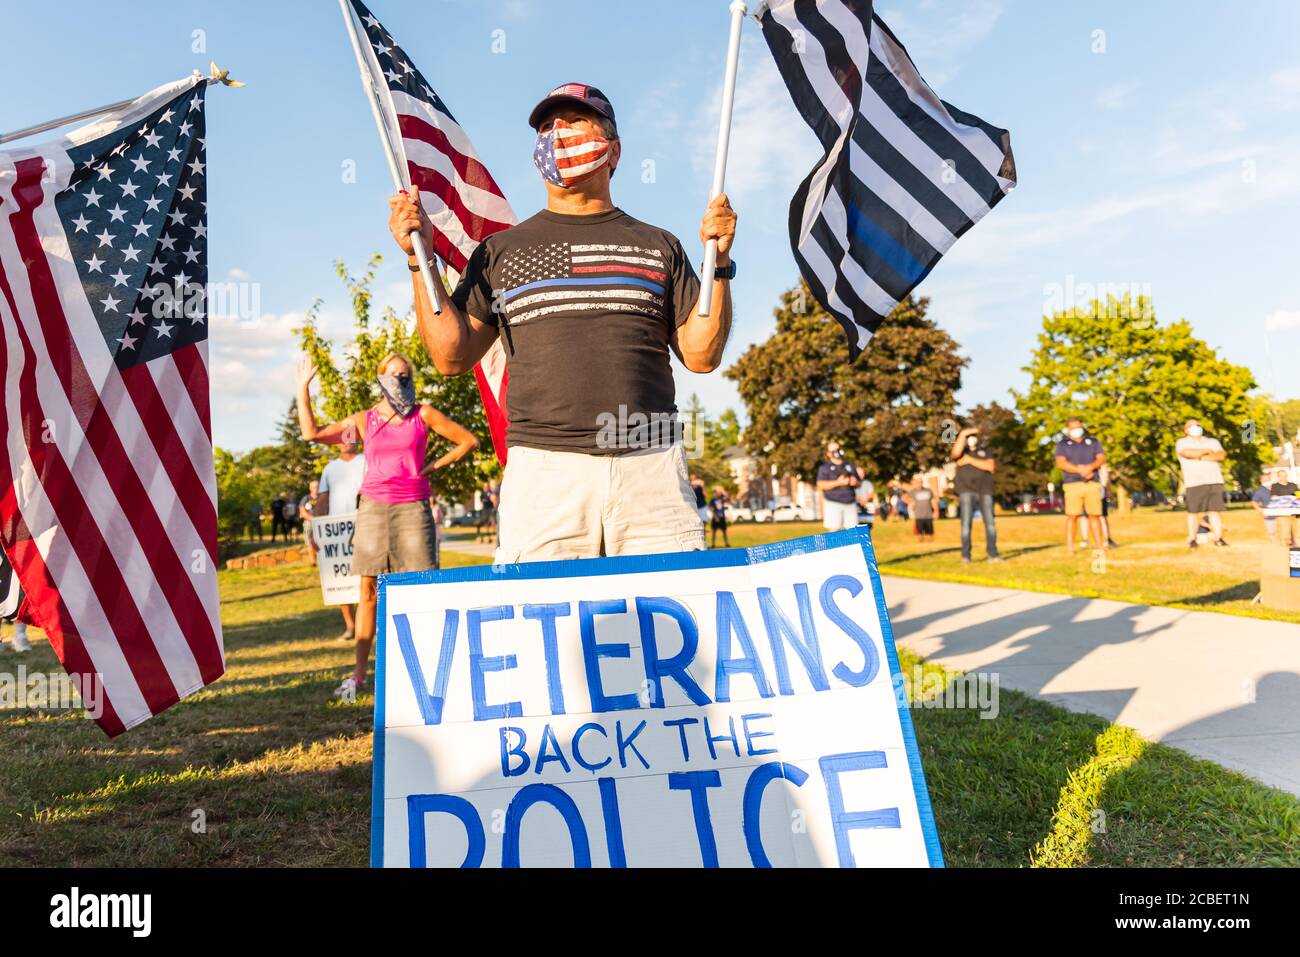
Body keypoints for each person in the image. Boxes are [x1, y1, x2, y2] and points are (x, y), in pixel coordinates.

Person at [387, 82, 736, 561]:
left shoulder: (660, 245)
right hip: (543, 474)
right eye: (548, 127)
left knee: (673, 619)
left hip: (650, 469)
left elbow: (701, 353)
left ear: (613, 152)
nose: (558, 135)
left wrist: (719, 262)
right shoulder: (501, 251)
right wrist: (418, 258)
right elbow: (451, 355)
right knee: (542, 621)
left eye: (575, 123)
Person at [297, 352, 478, 699]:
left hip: (413, 509)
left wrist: (434, 467)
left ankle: (430, 670)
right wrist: (303, 387)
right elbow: (313, 433)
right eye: (394, 374)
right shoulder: (365, 421)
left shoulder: (423, 414)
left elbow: (468, 441)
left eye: (406, 374)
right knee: (368, 591)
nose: (400, 380)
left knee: (422, 587)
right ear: (381, 379)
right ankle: (360, 676)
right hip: (374, 510)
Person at [318, 439, 367, 641]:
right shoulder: (330, 469)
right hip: (336, 531)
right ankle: (351, 626)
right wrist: (316, 531)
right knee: (339, 578)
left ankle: (368, 624)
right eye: (342, 438)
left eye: (351, 437)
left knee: (367, 577)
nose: (347, 442)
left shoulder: (367, 461)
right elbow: (322, 500)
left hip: (364, 524)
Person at [1053, 417, 1106, 556]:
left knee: (1095, 515)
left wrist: (1090, 467)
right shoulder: (1062, 445)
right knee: (1072, 516)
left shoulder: (1093, 442)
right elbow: (1061, 463)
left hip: (1092, 483)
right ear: (1068, 429)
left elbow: (1101, 458)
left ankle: (1099, 546)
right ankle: (1070, 548)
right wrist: (1080, 470)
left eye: (1078, 426)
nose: (1077, 430)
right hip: (1072, 484)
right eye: (1073, 427)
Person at [1175, 418, 1228, 549]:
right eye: (1192, 426)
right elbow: (1187, 453)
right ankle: (1192, 539)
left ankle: (1218, 538)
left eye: (1198, 425)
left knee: (1214, 511)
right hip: (1194, 482)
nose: (1196, 427)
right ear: (1186, 430)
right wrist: (1207, 452)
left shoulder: (1213, 441)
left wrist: (1198, 456)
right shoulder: (1182, 443)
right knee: (1193, 512)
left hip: (1214, 481)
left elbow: (1220, 456)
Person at [951, 426, 1000, 563]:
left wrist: (970, 460)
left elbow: (990, 467)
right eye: (969, 436)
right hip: (966, 491)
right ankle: (966, 556)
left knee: (990, 524)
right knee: (966, 525)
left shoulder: (986, 450)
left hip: (985, 490)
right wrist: (963, 433)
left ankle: (993, 555)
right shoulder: (961, 452)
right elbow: (955, 453)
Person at [816, 441, 862, 531]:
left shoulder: (849, 465)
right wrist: (838, 483)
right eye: (833, 450)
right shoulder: (824, 467)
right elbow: (820, 485)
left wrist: (855, 482)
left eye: (838, 449)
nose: (836, 452)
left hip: (850, 503)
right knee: (835, 533)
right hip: (833, 503)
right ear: (828, 454)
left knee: (853, 533)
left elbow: (859, 483)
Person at [1251, 469, 1280, 544]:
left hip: (1281, 512)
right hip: (1269, 514)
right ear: (1261, 481)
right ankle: (1274, 543)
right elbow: (1254, 502)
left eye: (1268, 479)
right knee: (1271, 530)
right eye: (1264, 479)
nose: (1266, 481)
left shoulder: (1277, 487)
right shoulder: (1260, 491)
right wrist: (1260, 510)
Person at [1271, 470, 1299, 546]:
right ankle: (1284, 547)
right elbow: (1273, 497)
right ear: (1278, 476)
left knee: (1298, 531)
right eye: (1281, 475)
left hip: (1296, 511)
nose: (1284, 477)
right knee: (1285, 532)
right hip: (1282, 513)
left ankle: (1297, 546)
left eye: (1285, 475)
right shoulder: (1275, 486)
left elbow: (1298, 496)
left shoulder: (1293, 485)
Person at [905, 479, 935, 543]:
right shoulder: (913, 491)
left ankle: (929, 544)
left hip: (928, 514)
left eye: (920, 482)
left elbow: (933, 500)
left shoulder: (928, 490)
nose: (919, 484)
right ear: (915, 483)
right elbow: (904, 497)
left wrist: (935, 510)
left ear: (922, 482)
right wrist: (911, 503)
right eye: (917, 482)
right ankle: (921, 543)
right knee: (919, 532)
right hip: (918, 515)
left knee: (929, 532)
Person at [299, 480, 321, 564]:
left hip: (321, 522)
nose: (316, 489)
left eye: (317, 487)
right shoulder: (306, 498)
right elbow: (302, 511)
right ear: (310, 488)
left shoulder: (322, 497)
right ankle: (313, 562)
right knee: (310, 542)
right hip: (309, 522)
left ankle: (321, 561)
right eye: (313, 487)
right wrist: (312, 519)